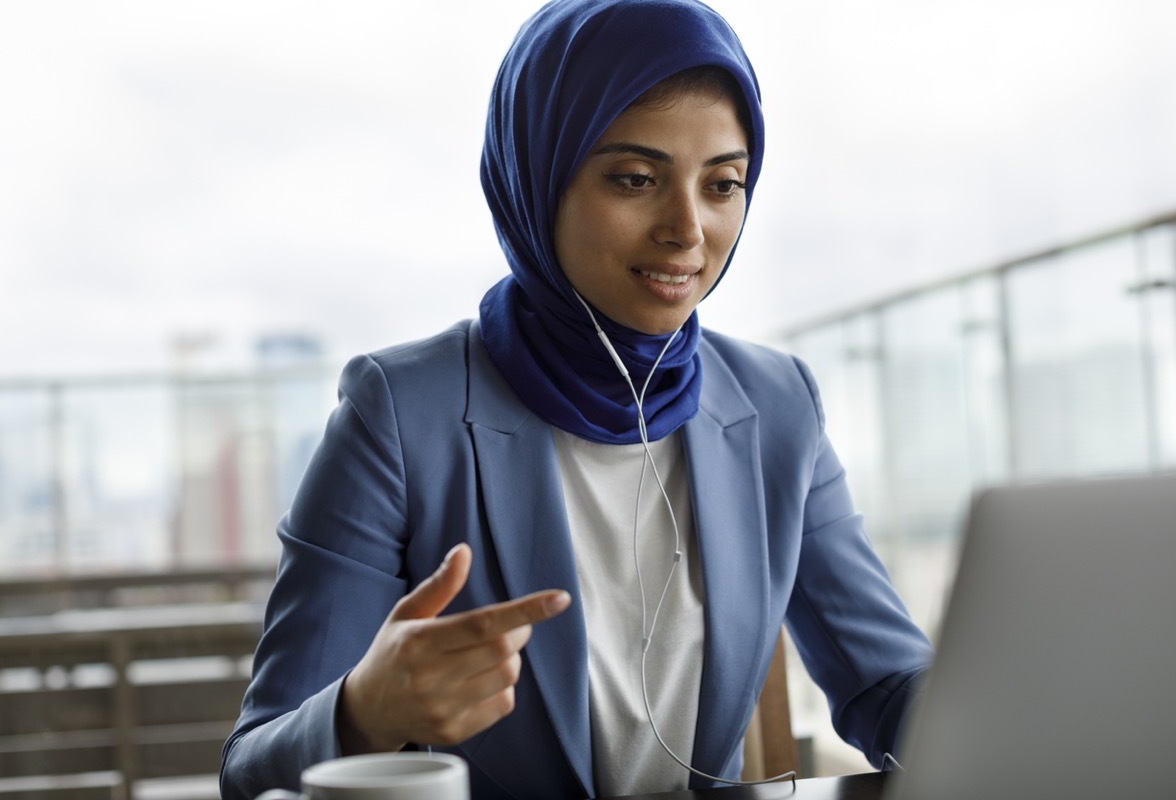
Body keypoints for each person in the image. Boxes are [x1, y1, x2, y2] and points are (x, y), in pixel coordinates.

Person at [220, 0, 934, 798]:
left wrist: (1021, 714)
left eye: (723, 184)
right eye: (635, 179)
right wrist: (363, 711)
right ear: (538, 177)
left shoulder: (778, 406)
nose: (688, 229)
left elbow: (886, 683)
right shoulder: (397, 415)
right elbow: (250, 770)